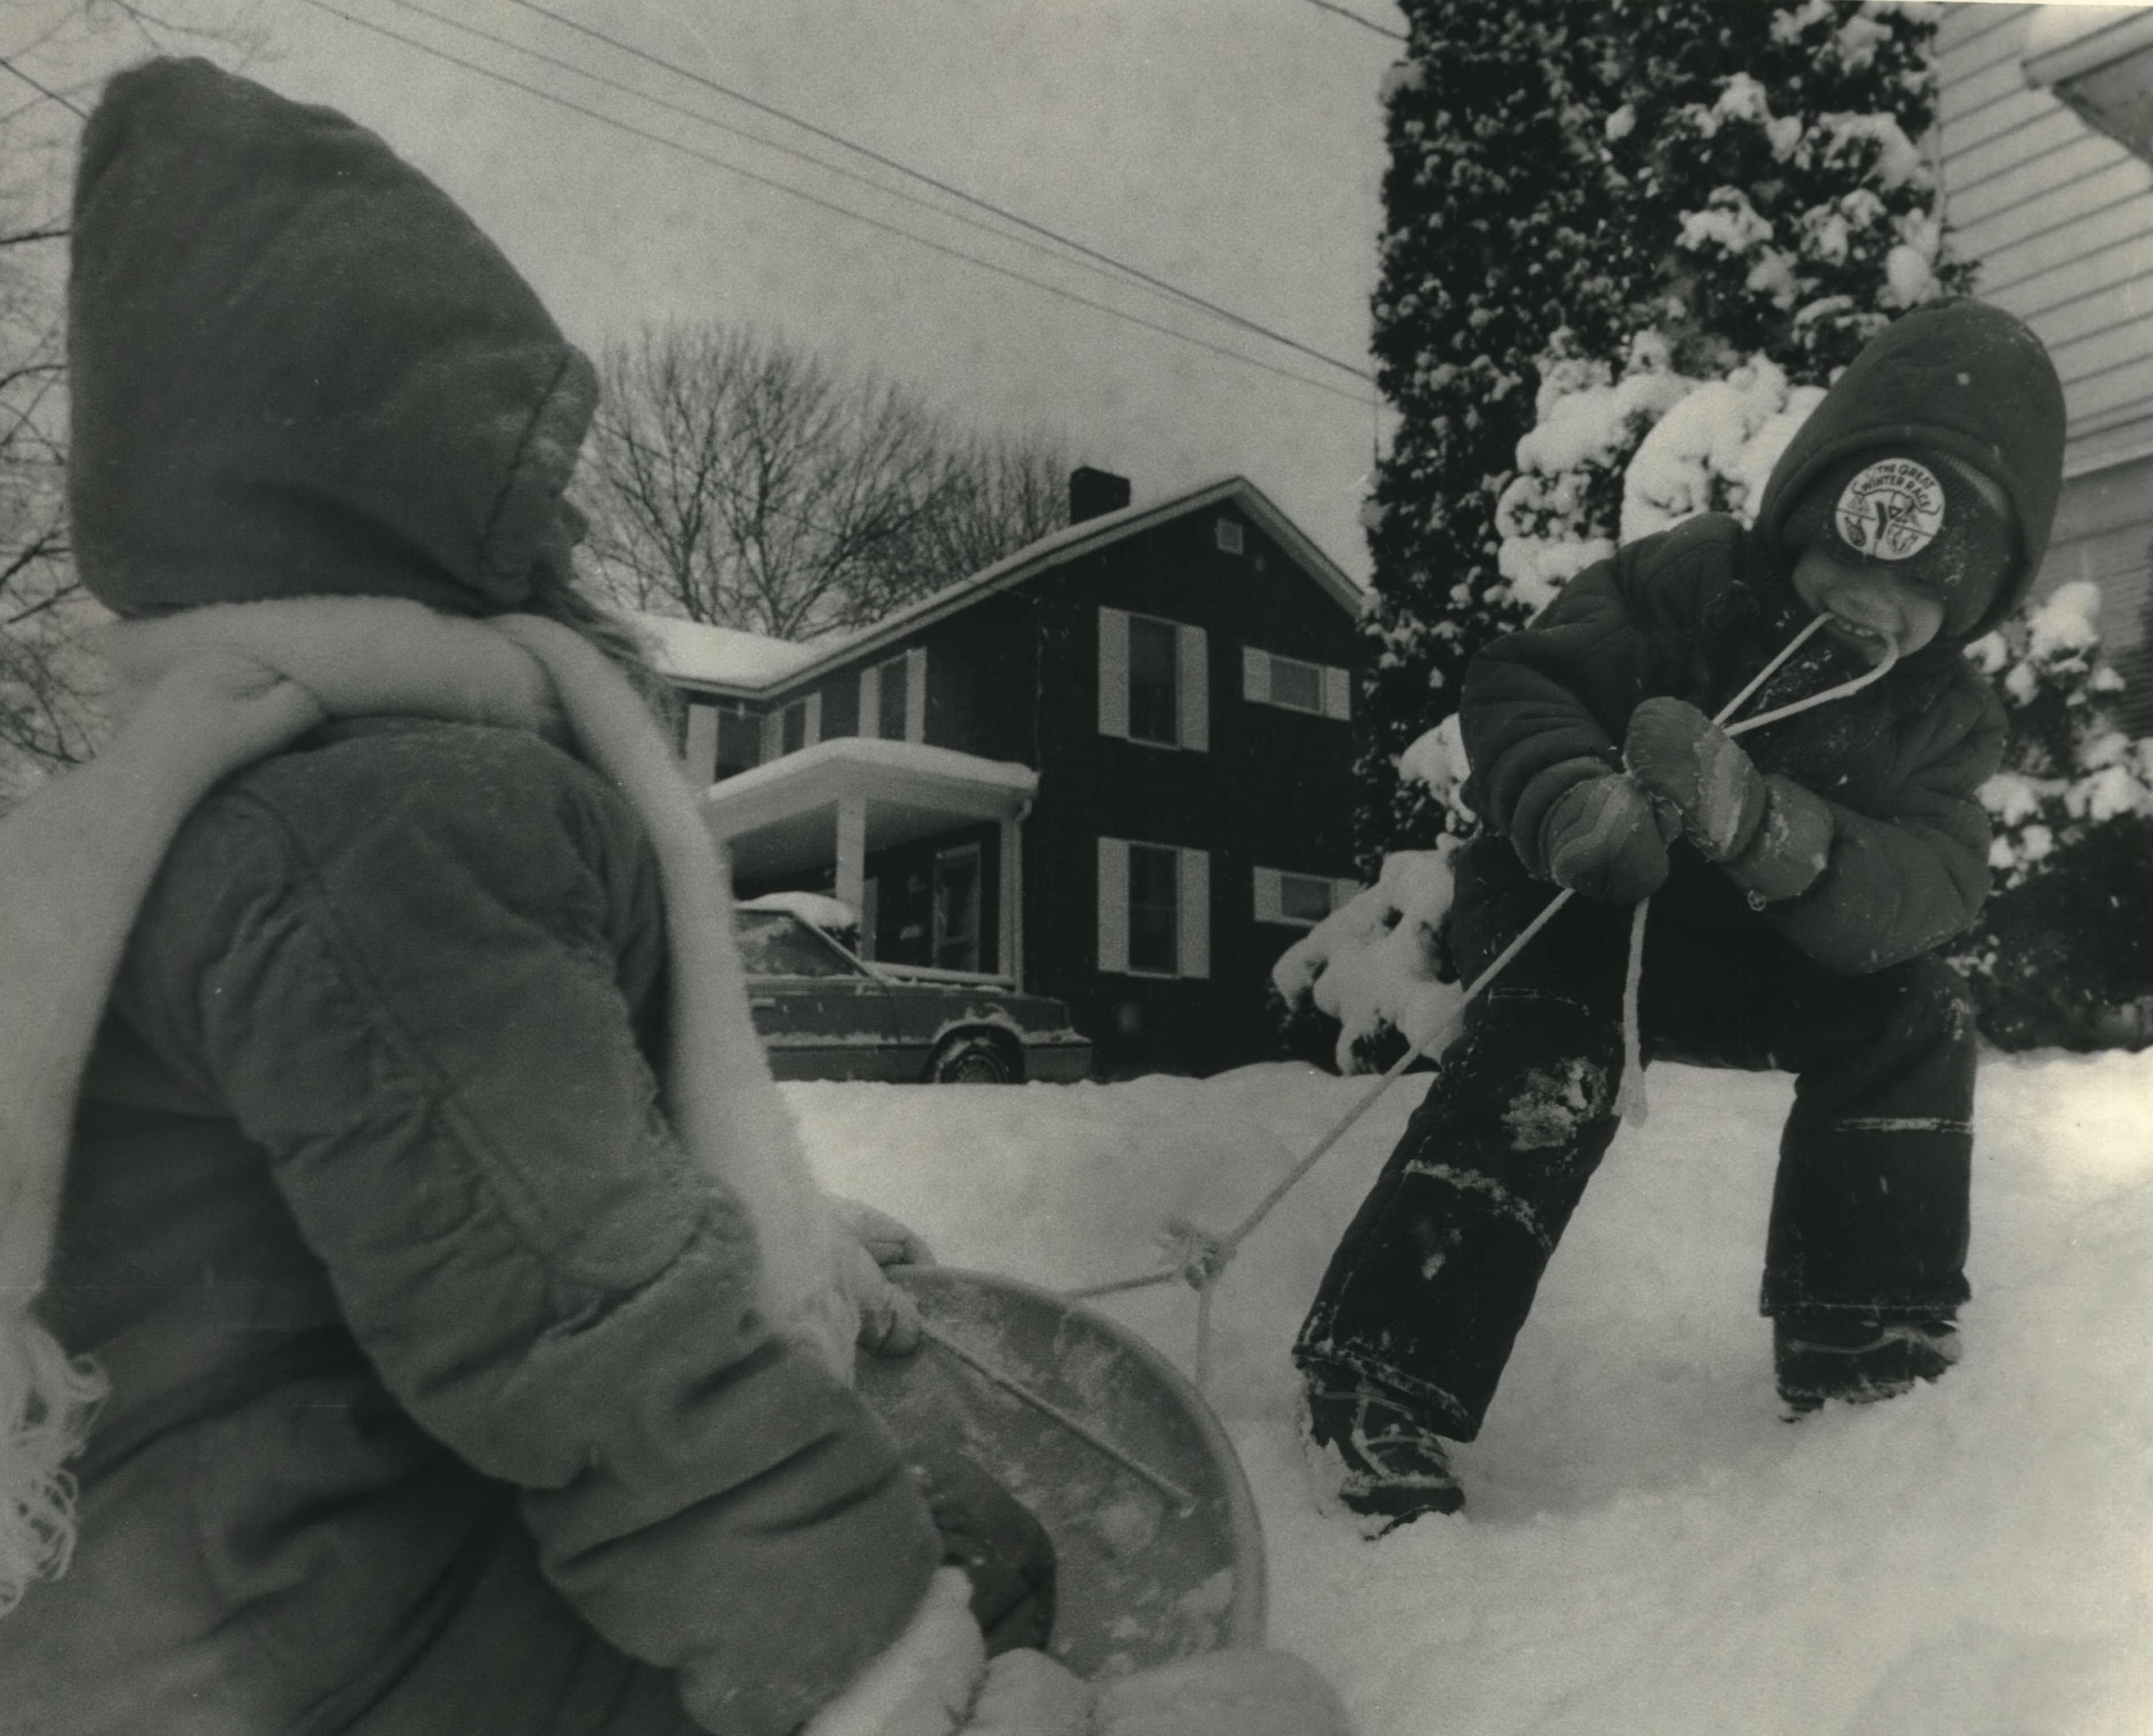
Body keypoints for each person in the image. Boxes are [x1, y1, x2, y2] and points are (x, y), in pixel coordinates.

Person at [0, 58, 1350, 1736]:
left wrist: (769, 1233)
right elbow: (592, 1335)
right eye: (523, 461)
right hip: (324, 1645)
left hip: (181, 1575)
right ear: (406, 469)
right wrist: (885, 1681)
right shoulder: (394, 822)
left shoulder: (212, 783)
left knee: (942, 1517)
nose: (562, 508)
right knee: (1165, 1654)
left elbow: (458, 1192)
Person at [1294, 299, 2067, 1535]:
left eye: (1924, 586)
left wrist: (1776, 833)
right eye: (1850, 554)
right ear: (1806, 513)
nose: (1873, 599)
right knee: (1554, 1048)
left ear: (1976, 602)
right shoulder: (1695, 582)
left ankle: (1862, 1330)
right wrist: (1569, 800)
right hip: (1581, 902)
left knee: (1916, 1006)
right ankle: (1383, 1362)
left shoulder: (1945, 719)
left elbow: (1933, 883)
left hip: (1768, 946)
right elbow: (1523, 681)